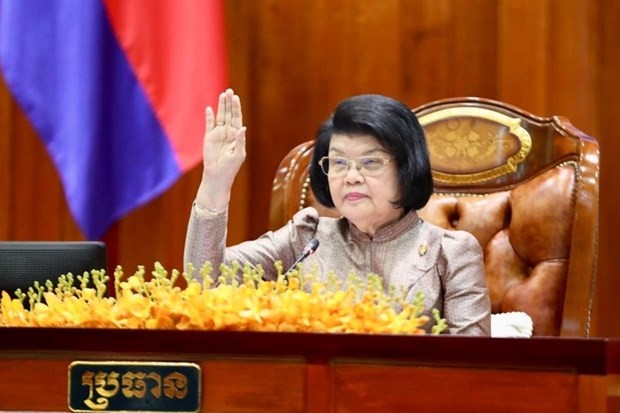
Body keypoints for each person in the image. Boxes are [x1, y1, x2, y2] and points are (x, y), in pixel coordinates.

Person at [184, 88, 491, 335]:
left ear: (407, 168)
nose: (351, 176)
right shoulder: (306, 239)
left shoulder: (450, 253)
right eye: (339, 162)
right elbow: (204, 276)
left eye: (371, 162)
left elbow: (472, 369)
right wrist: (216, 180)